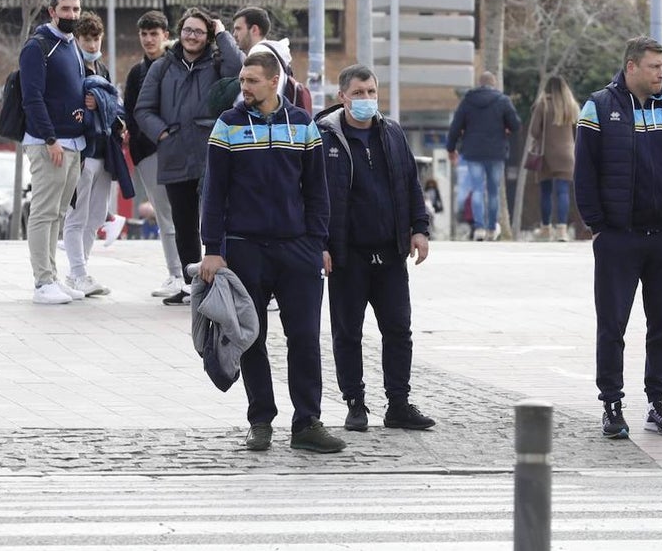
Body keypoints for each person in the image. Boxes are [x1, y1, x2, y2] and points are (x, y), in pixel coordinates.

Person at [199, 50, 344, 454]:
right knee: (251, 337)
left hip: (298, 249)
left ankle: (307, 422)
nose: (243, 87)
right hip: (244, 249)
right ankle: (260, 420)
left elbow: (318, 191)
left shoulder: (302, 125)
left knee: (304, 337)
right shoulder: (227, 125)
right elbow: (214, 193)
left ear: (273, 81)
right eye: (242, 80)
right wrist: (212, 249)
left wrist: (317, 243)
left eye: (251, 81)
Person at [574, 36, 662, 439]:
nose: (661, 73)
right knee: (612, 324)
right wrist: (599, 225)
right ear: (631, 67)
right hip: (619, 238)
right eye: (654, 67)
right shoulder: (599, 107)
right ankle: (612, 405)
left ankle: (658, 403)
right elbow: (584, 171)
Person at [316, 64, 436, 433]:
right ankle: (355, 403)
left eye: (371, 92)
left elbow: (410, 185)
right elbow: (313, 195)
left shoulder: (393, 133)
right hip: (346, 256)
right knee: (347, 333)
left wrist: (419, 229)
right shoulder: (323, 138)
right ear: (342, 97)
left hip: (390, 254)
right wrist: (319, 244)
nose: (366, 99)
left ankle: (398, 403)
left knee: (398, 330)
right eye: (358, 93)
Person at [133, 7, 243, 306]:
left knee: (217, 219)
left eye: (199, 31)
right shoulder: (163, 67)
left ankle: (221, 281)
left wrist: (222, 34)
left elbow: (239, 69)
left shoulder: (218, 62)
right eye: (187, 30)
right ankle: (190, 284)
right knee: (184, 224)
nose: (192, 36)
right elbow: (142, 109)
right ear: (179, 33)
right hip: (175, 154)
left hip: (212, 154)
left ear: (208, 36)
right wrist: (162, 133)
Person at [20, 0, 89, 305]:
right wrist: (49, 138)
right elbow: (31, 98)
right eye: (65, 9)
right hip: (49, 143)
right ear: (52, 11)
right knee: (44, 212)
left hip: (73, 141)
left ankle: (53, 278)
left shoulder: (71, 44)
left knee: (59, 213)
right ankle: (42, 281)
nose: (71, 15)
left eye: (76, 9)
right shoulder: (38, 46)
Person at [62, 12, 133, 296]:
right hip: (81, 150)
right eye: (87, 39)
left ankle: (80, 272)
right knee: (76, 217)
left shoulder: (102, 69)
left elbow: (115, 106)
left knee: (95, 217)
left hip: (105, 152)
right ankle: (78, 273)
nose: (92, 44)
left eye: (96, 38)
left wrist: (108, 110)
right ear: (77, 39)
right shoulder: (73, 67)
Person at [124, 10, 184, 300]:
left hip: (177, 150)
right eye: (144, 34)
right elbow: (131, 113)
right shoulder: (137, 72)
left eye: (154, 34)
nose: (149, 39)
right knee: (165, 216)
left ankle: (184, 274)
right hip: (148, 153)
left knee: (181, 215)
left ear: (166, 36)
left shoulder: (177, 66)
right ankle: (176, 274)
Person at [446, 71, 521, 241]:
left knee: (477, 189)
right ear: (494, 84)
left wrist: (451, 148)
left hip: (473, 152)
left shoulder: (468, 101)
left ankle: (479, 228)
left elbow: (455, 126)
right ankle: (491, 228)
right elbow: (515, 124)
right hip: (496, 152)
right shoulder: (503, 101)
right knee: (493, 191)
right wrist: (506, 129)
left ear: (479, 84)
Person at [528, 75, 578, 242]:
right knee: (563, 191)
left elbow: (534, 131)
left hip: (547, 155)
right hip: (567, 155)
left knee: (546, 192)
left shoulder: (543, 104)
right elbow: (579, 130)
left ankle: (546, 229)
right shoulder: (571, 106)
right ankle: (562, 230)